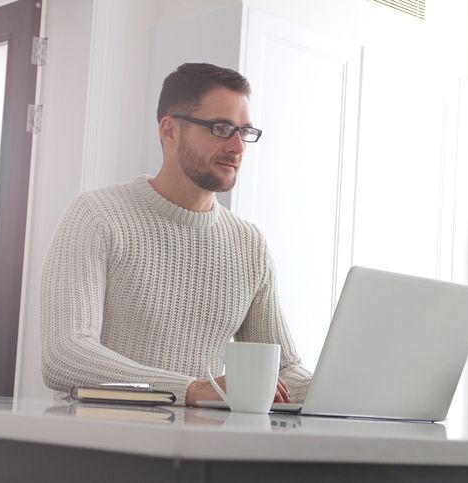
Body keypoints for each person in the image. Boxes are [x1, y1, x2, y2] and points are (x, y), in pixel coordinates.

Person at [40, 62, 311, 406]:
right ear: (169, 131)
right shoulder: (96, 216)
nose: (238, 148)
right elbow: (64, 356)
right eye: (221, 128)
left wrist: (351, 390)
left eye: (244, 132)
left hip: (201, 450)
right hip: (99, 445)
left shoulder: (249, 244)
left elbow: (283, 371)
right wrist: (192, 391)